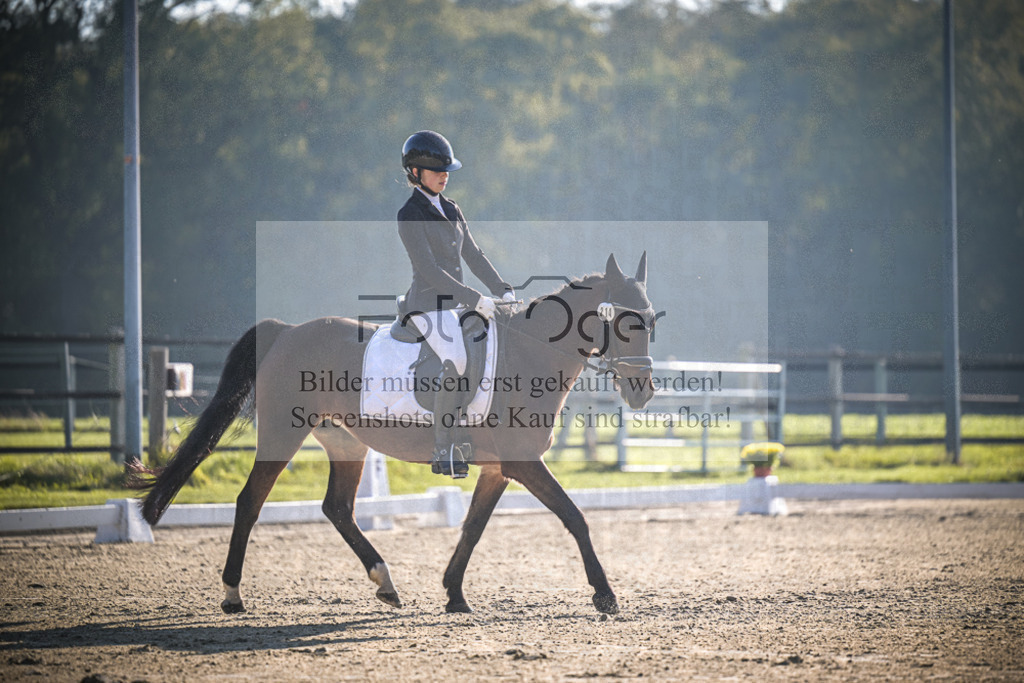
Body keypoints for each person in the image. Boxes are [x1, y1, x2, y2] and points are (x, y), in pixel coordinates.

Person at [396, 130, 516, 478]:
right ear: (416, 172)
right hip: (427, 306)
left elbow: (474, 255)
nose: (444, 176)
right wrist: (474, 299)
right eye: (437, 170)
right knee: (457, 359)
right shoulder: (409, 214)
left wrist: (502, 289)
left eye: (446, 170)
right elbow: (429, 270)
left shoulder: (451, 208)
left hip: (455, 305)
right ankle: (443, 449)